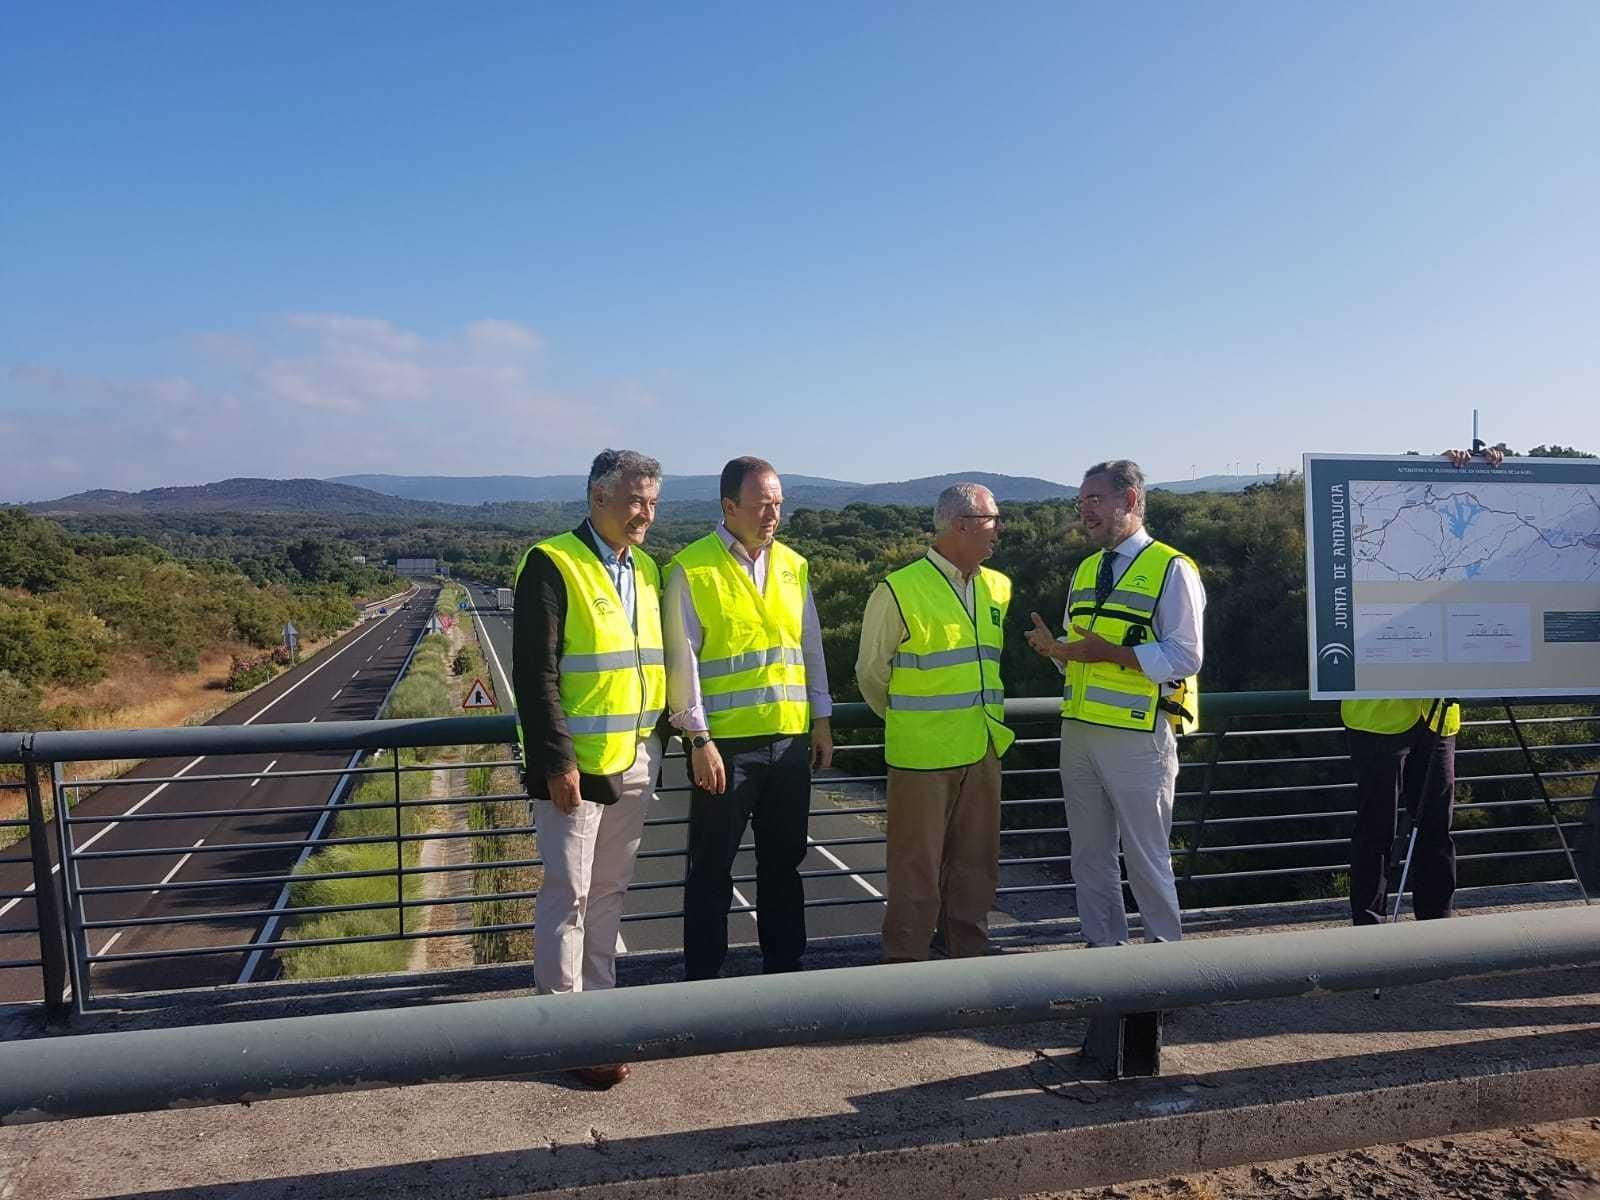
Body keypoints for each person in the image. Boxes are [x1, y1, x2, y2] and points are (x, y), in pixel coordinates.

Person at [512, 448, 666, 1089]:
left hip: (633, 759)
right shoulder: (552, 564)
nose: (645, 514)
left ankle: (599, 1018)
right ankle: (564, 1033)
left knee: (607, 898)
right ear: (598, 497)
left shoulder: (647, 569)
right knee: (567, 898)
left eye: (652, 502)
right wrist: (556, 762)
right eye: (635, 500)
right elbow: (536, 674)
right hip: (575, 768)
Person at [664, 457, 833, 980]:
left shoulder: (794, 565)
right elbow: (682, 661)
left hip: (788, 740)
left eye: (778, 503)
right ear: (728, 506)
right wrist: (698, 737)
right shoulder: (691, 568)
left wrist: (821, 719)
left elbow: (810, 646)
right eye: (762, 504)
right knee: (711, 869)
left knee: (784, 864)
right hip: (725, 748)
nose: (773, 514)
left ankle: (784, 968)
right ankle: (703, 980)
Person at [1025, 459, 1205, 947]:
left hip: (1138, 736)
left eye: (1095, 500)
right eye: (1081, 501)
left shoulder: (1172, 568)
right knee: (1089, 855)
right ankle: (1104, 958)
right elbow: (1079, 654)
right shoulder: (1086, 569)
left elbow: (1186, 655)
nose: (1085, 511)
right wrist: (1056, 652)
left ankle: (1164, 968)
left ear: (1130, 501)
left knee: (1146, 856)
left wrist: (1112, 654)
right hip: (1080, 729)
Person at [1342, 445, 1504, 926]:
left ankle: (1437, 924)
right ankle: (1368, 928)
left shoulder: (1462, 559)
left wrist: (1494, 472)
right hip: (1376, 715)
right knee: (1376, 829)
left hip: (1439, 715)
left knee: (1437, 827)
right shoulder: (1371, 552)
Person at [857, 483, 1014, 962]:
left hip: (982, 745)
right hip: (921, 754)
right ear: (961, 525)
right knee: (915, 870)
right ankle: (905, 970)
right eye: (992, 520)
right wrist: (907, 719)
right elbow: (870, 674)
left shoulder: (998, 587)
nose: (999, 530)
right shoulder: (898, 589)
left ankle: (967, 958)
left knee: (976, 865)